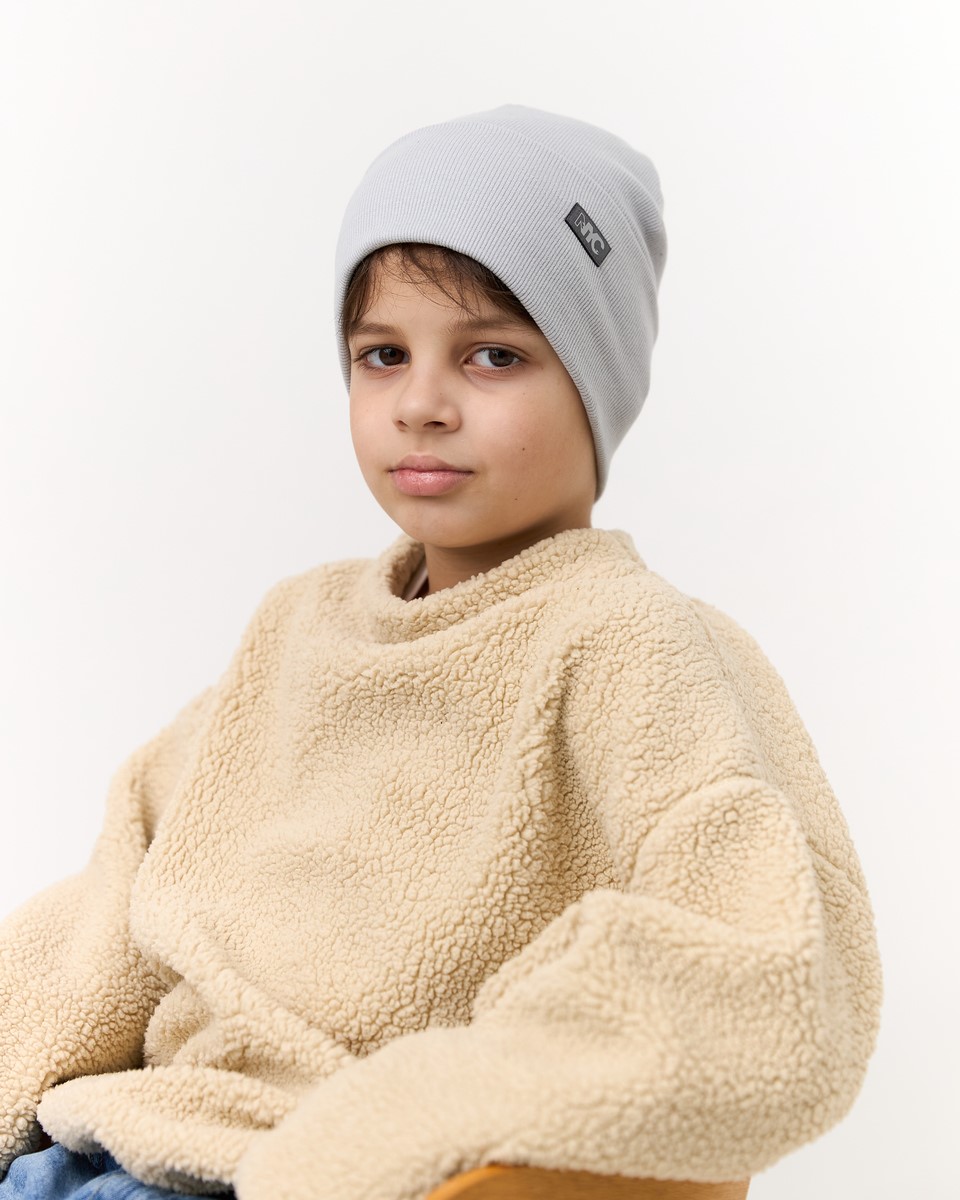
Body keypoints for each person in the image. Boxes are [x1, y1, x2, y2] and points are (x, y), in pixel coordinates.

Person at [0, 105, 882, 1200]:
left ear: (595, 381)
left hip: (306, 1175)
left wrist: (372, 1141)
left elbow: (760, 976)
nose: (421, 404)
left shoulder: (633, 647)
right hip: (101, 1143)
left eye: (493, 356)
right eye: (383, 355)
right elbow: (112, 910)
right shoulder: (298, 630)